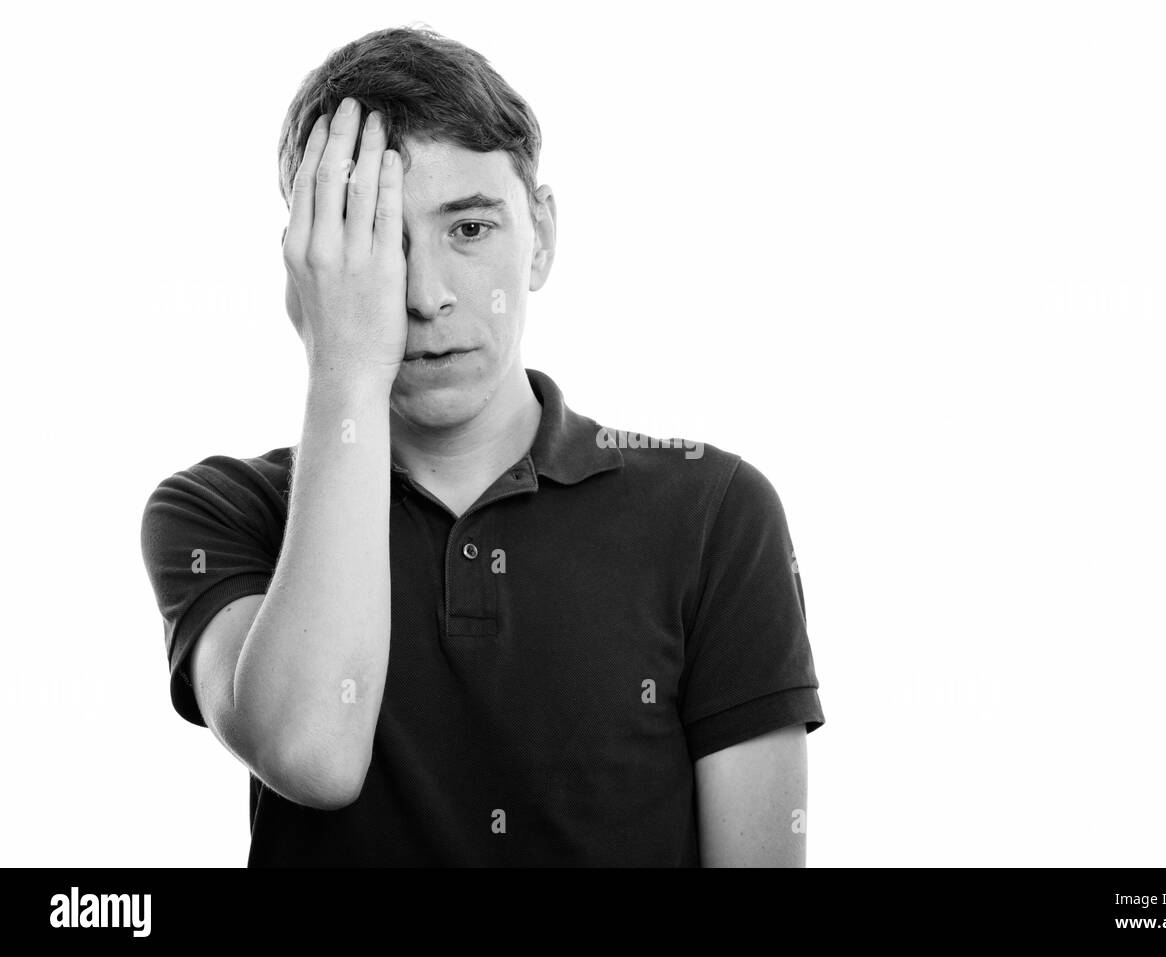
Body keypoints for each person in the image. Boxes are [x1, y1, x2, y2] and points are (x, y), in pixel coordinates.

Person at [139, 24, 825, 867]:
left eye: (468, 230)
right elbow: (312, 754)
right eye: (376, 243)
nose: (426, 296)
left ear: (539, 234)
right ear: (313, 266)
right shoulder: (221, 510)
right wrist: (345, 371)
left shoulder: (716, 510)